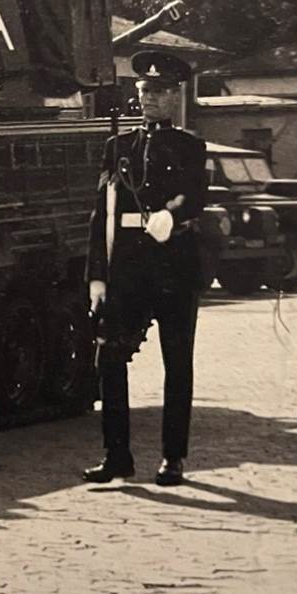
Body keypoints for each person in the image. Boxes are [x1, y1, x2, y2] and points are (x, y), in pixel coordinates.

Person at [83, 50, 208, 486]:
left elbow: (193, 194)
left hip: (173, 265)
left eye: (158, 92)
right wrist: (97, 275)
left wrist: (171, 215)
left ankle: (173, 457)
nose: (149, 99)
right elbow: (102, 213)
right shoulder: (118, 146)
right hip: (129, 267)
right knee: (109, 356)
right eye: (144, 91)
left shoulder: (191, 146)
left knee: (177, 363)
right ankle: (117, 455)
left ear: (175, 97)